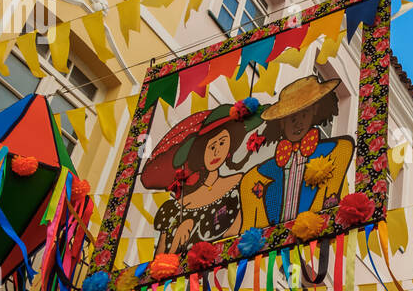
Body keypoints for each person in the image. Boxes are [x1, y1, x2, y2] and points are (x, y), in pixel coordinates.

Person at [141, 100, 264, 254]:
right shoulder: (174, 209)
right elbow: (159, 263)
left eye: (222, 143)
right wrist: (177, 236)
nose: (216, 152)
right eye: (211, 146)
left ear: (230, 148)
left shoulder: (241, 184)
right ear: (201, 153)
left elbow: (237, 240)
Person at [238, 74, 354, 228]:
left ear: (314, 112)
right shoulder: (257, 175)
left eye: (304, 115)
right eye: (292, 118)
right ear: (282, 122)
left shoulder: (337, 150)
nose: (298, 124)